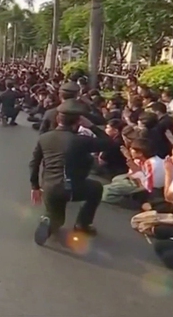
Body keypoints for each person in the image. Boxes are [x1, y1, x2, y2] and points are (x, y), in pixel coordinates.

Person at [29, 100, 113, 246]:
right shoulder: (81, 141)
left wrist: (35, 186)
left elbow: (34, 163)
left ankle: (48, 221)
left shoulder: (45, 137)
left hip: (49, 186)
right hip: (73, 187)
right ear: (78, 122)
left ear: (57, 119)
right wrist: (92, 126)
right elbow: (109, 143)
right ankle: (82, 225)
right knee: (96, 188)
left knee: (57, 218)